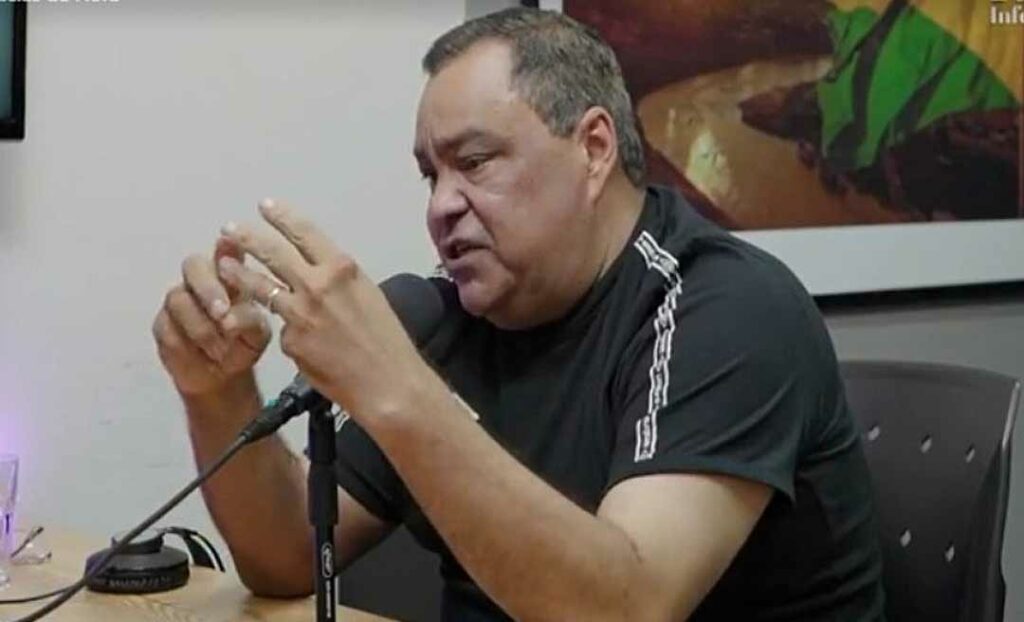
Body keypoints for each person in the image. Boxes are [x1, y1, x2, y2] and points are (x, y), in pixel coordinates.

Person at [152, 8, 884, 621]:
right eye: (430, 174)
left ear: (593, 149)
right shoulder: (444, 319)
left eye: (475, 162)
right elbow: (286, 558)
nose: (441, 205)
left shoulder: (722, 308)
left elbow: (627, 607)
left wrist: (397, 388)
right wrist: (217, 391)